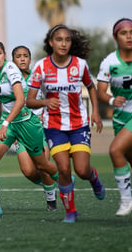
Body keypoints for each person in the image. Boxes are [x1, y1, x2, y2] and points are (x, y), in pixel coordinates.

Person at [27, 25, 106, 223]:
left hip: (78, 124)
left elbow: (91, 86)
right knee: (63, 169)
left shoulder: (80, 65)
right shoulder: (41, 67)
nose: (64, 43)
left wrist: (95, 111)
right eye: (59, 40)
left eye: (67, 40)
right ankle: (71, 212)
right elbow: (29, 100)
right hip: (53, 127)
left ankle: (94, 178)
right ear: (51, 43)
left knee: (81, 169)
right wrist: (45, 102)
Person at [0, 41, 59, 218]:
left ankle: (61, 184)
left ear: (4, 55)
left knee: (41, 165)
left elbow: (23, 100)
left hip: (29, 124)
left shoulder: (17, 72)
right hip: (10, 122)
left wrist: (8, 123)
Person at [97, 18, 132, 223]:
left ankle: (127, 200)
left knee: (115, 150)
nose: (129, 36)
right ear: (116, 37)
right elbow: (100, 92)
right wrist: (112, 99)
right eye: (124, 33)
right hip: (122, 120)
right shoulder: (109, 62)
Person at [11, 45, 57, 211]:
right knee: (28, 171)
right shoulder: (10, 80)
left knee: (42, 166)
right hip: (21, 130)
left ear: (30, 59)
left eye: (25, 56)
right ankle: (51, 184)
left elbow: (52, 98)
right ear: (13, 60)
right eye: (18, 56)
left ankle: (51, 201)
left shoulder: (38, 78)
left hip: (40, 128)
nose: (22, 59)